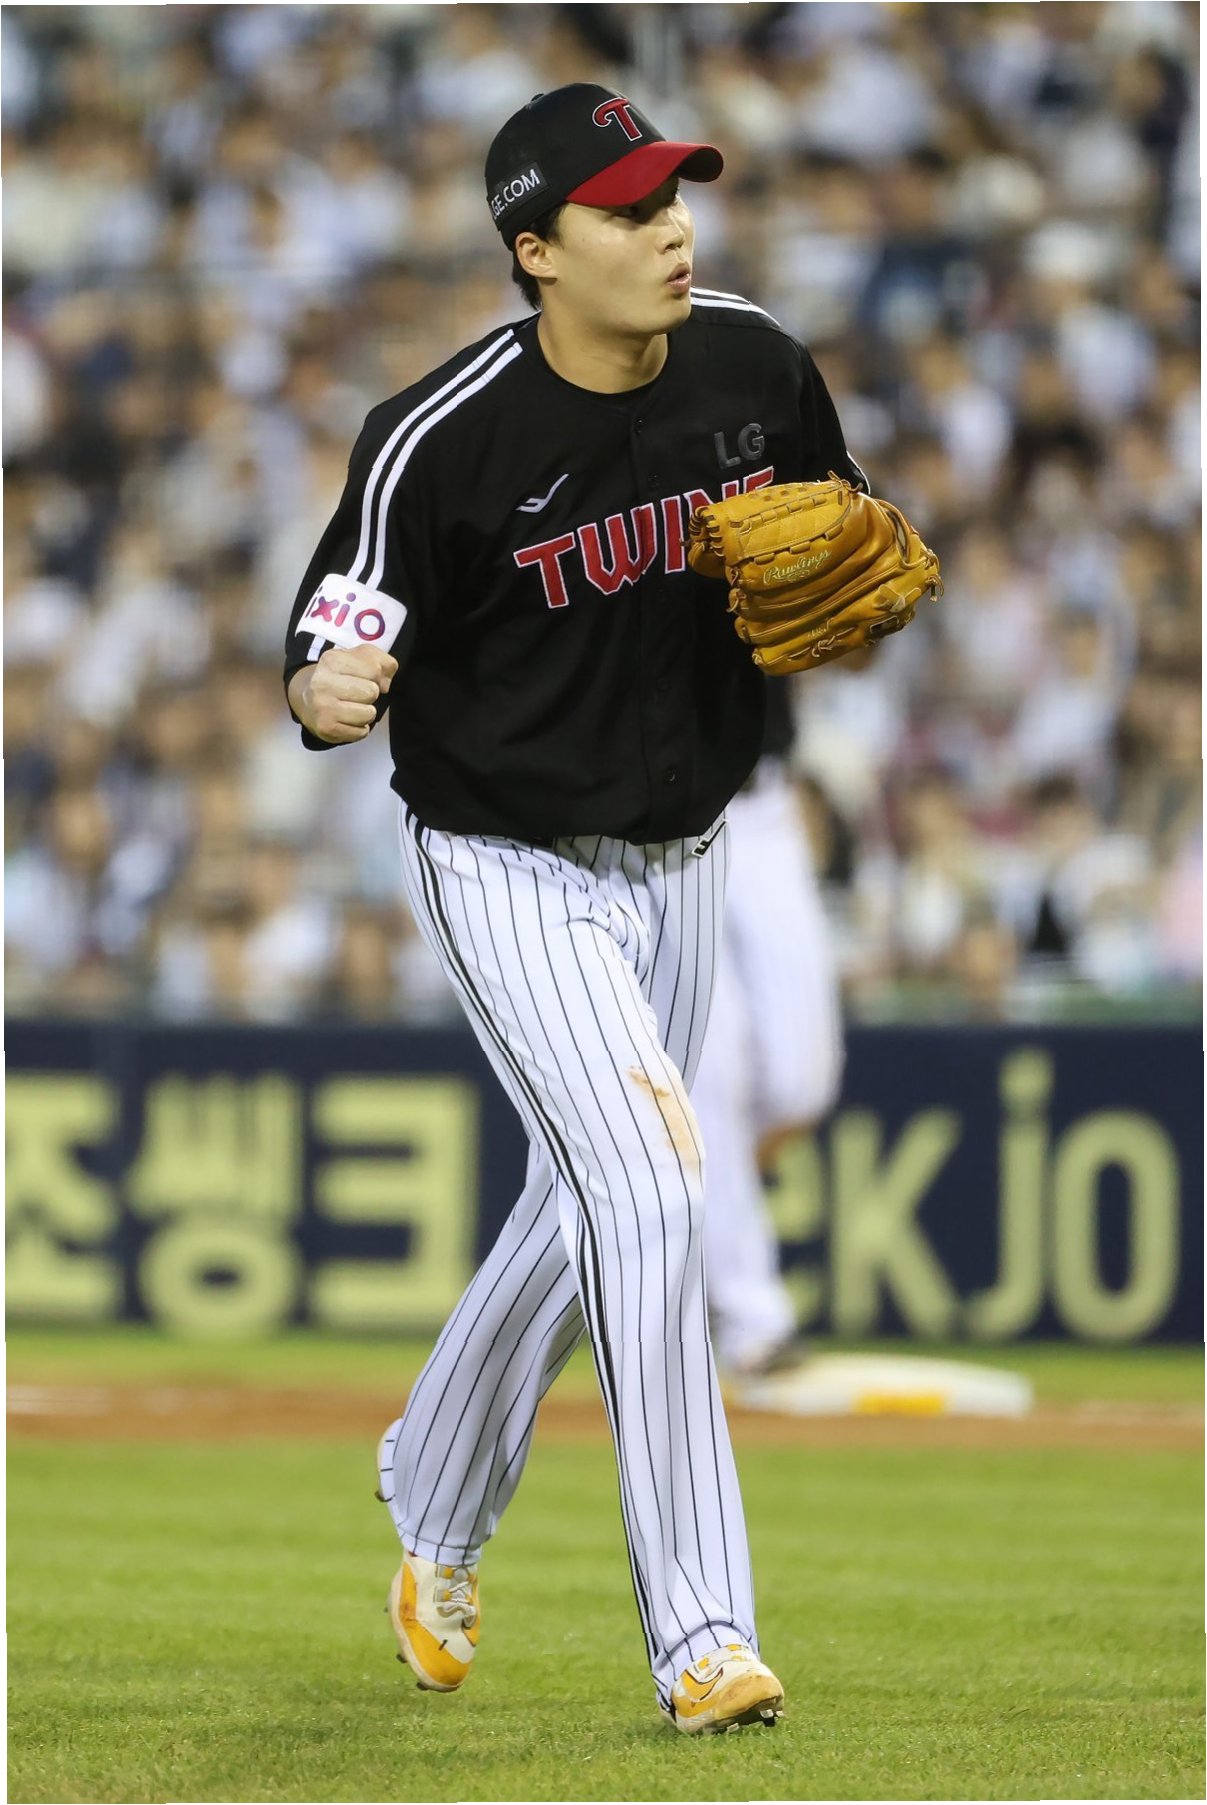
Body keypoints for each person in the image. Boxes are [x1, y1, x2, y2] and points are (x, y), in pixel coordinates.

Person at [283, 83, 866, 1736]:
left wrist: (842, 585)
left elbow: (835, 534)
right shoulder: (440, 434)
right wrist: (325, 689)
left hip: (684, 850)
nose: (670, 229)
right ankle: (702, 1634)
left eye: (674, 197)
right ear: (537, 250)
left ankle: (431, 1481)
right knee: (657, 1187)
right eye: (627, 210)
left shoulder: (754, 366)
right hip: (505, 860)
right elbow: (332, 633)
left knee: (587, 1201)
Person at [692, 683, 845, 1381]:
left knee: (801, 1080)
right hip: (659, 818)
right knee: (713, 1074)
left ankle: (688, 1218)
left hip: (762, 805)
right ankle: (752, 1320)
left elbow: (854, 650)